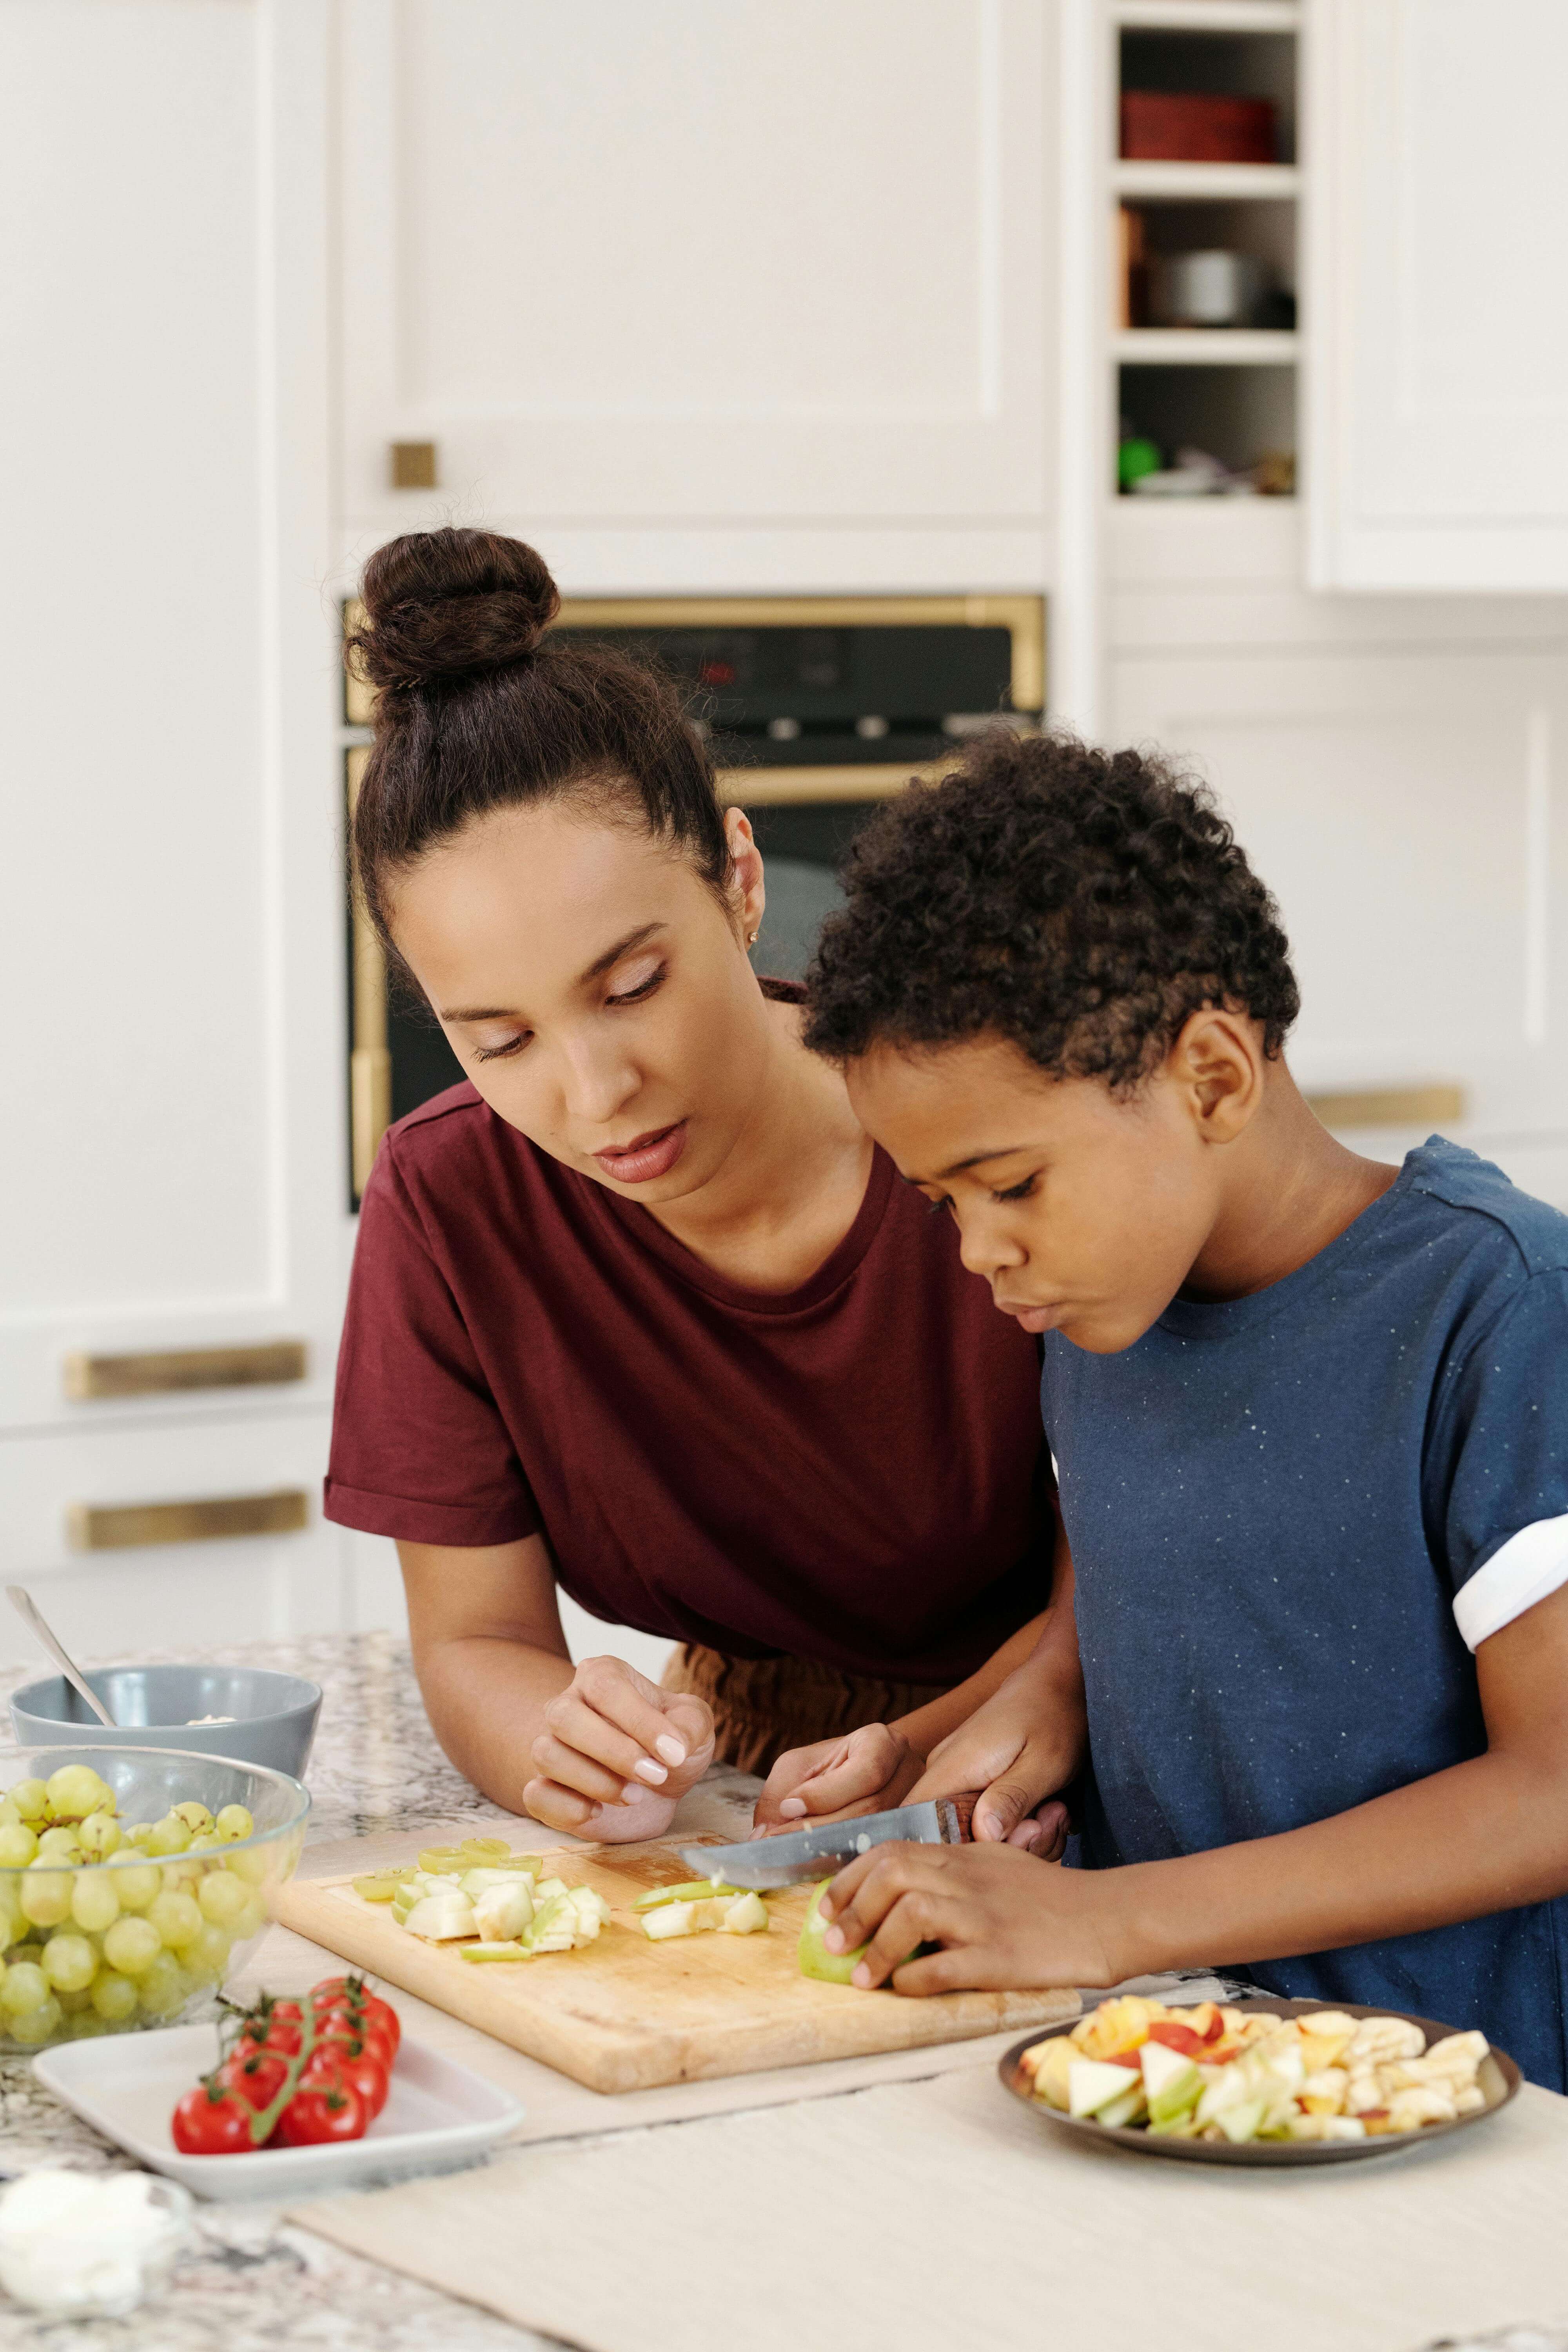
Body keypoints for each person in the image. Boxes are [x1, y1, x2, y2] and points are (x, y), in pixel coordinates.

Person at [795, 729, 1568, 2090]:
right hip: (1160, 2066)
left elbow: (1556, 1788)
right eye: (944, 1204)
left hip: (1444, 2108)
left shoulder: (1497, 1309)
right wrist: (955, 1742)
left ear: (1211, 1073)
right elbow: (1131, 1603)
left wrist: (1108, 1921)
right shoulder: (1105, 1312)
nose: (978, 1250)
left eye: (1012, 1184)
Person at [323, 526, 1080, 1850]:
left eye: (632, 988)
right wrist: (555, 1738)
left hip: (1070, 1744)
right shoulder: (450, 1203)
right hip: (753, 1792)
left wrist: (946, 1745)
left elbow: (1166, 1551)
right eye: (499, 1040)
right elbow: (478, 1641)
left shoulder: (988, 1125)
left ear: (739, 880)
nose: (593, 1090)